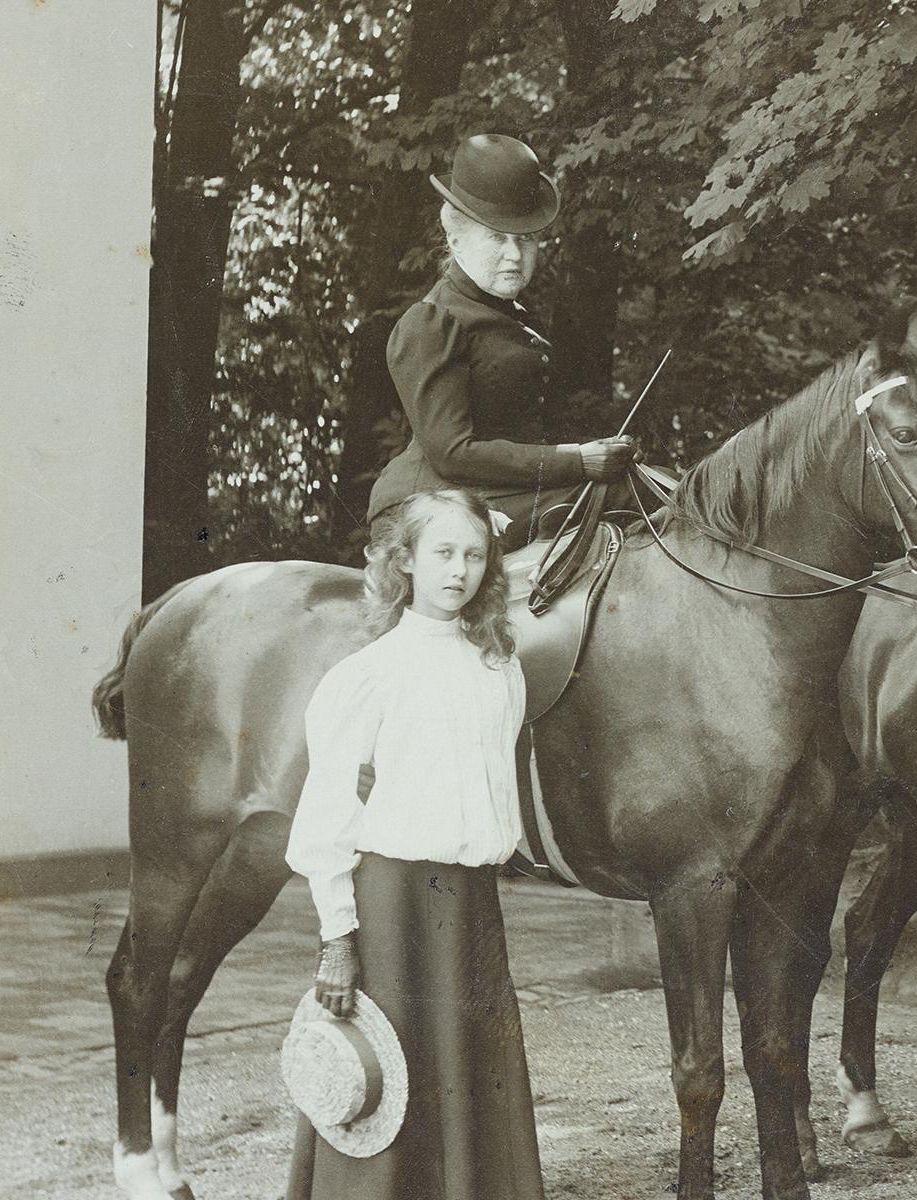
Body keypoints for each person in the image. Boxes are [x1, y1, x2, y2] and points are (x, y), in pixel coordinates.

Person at [285, 488, 544, 1200]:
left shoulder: (499, 669)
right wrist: (339, 938)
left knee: (471, 1067)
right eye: (442, 553)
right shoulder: (367, 675)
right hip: (394, 903)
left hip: (468, 904)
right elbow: (327, 813)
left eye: (473, 555)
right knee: (386, 1077)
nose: (458, 570)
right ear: (405, 561)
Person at [367, 133, 637, 551]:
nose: (514, 255)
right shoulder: (433, 321)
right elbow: (453, 453)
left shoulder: (508, 318)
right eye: (496, 237)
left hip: (498, 492)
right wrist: (578, 461)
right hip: (431, 502)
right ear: (455, 240)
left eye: (525, 239)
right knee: (629, 498)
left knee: (644, 486)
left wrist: (597, 453)